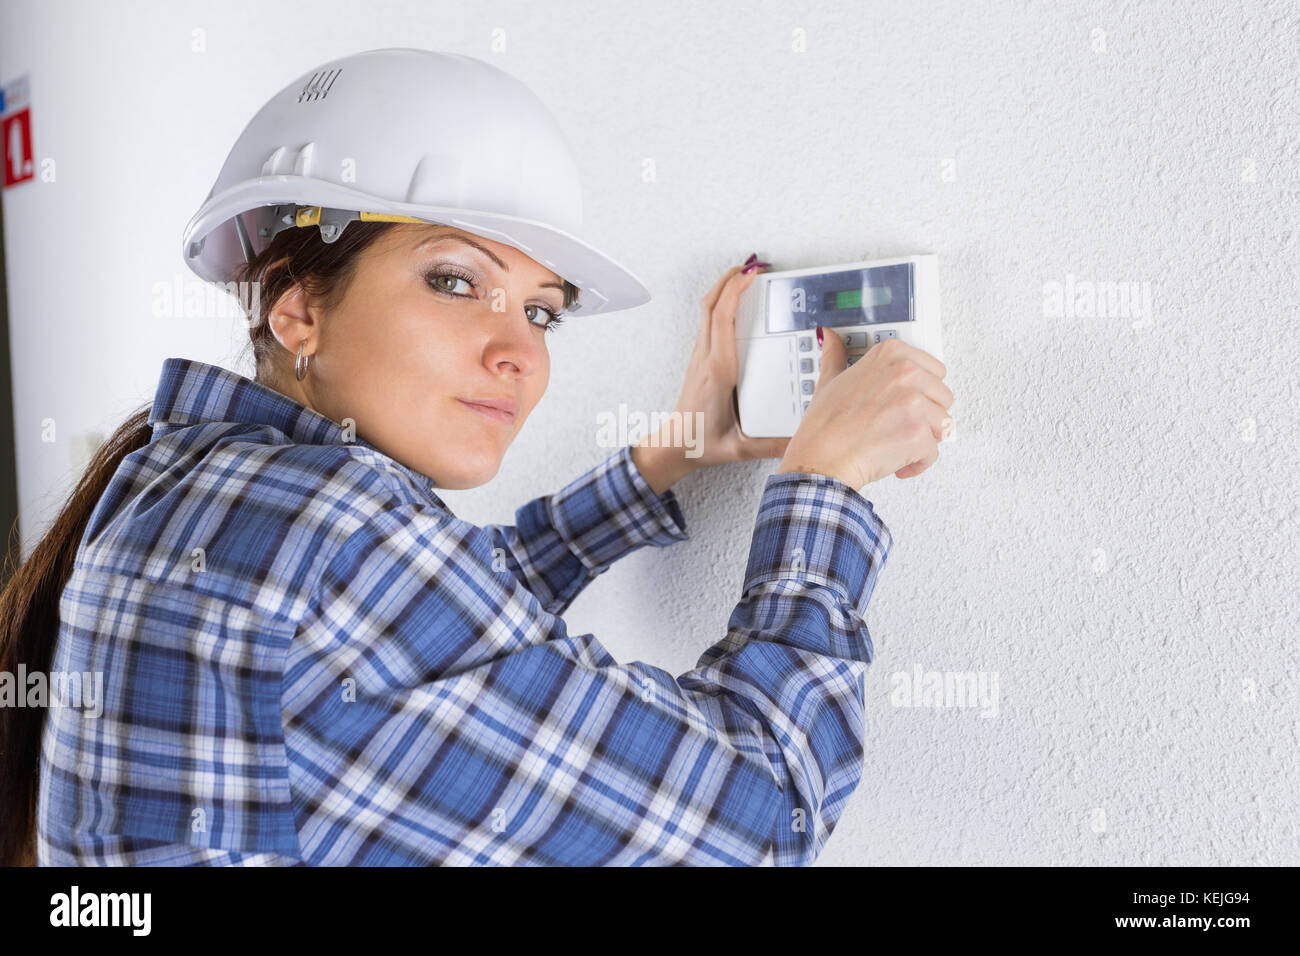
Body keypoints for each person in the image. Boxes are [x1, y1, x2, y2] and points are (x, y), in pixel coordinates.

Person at [0, 49, 953, 866]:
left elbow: (439, 632)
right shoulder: (341, 539)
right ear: (297, 307)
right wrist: (822, 490)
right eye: (457, 281)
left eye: (540, 309)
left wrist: (669, 459)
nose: (522, 353)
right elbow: (762, 813)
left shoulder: (180, 478)